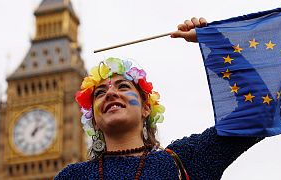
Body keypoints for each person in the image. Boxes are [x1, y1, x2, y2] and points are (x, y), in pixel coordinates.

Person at [55, 17, 263, 180]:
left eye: (124, 86)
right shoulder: (71, 176)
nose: (110, 93)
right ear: (93, 119)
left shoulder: (184, 160)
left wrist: (216, 45)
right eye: (99, 93)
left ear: (146, 107)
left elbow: (258, 110)